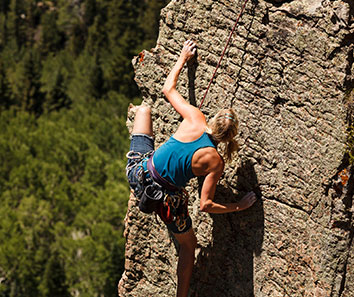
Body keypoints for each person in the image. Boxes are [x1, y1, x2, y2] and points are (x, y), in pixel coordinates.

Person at [126, 40, 257, 297]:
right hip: (165, 200)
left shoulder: (196, 117)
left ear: (215, 118)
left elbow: (168, 89)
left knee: (144, 110)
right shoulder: (215, 161)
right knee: (188, 247)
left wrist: (184, 58)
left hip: (138, 172)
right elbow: (205, 205)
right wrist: (238, 206)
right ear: (230, 138)